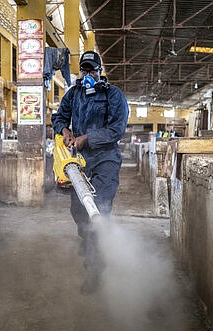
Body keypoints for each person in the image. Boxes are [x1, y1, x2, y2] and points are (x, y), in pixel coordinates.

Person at [51, 50, 129, 294]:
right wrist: (65, 131)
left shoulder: (113, 95)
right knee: (78, 209)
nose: (87, 74)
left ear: (99, 71)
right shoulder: (73, 94)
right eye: (83, 70)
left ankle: (95, 271)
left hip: (106, 159)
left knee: (98, 210)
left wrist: (87, 138)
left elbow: (117, 129)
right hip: (80, 161)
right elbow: (59, 117)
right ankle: (88, 240)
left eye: (91, 70)